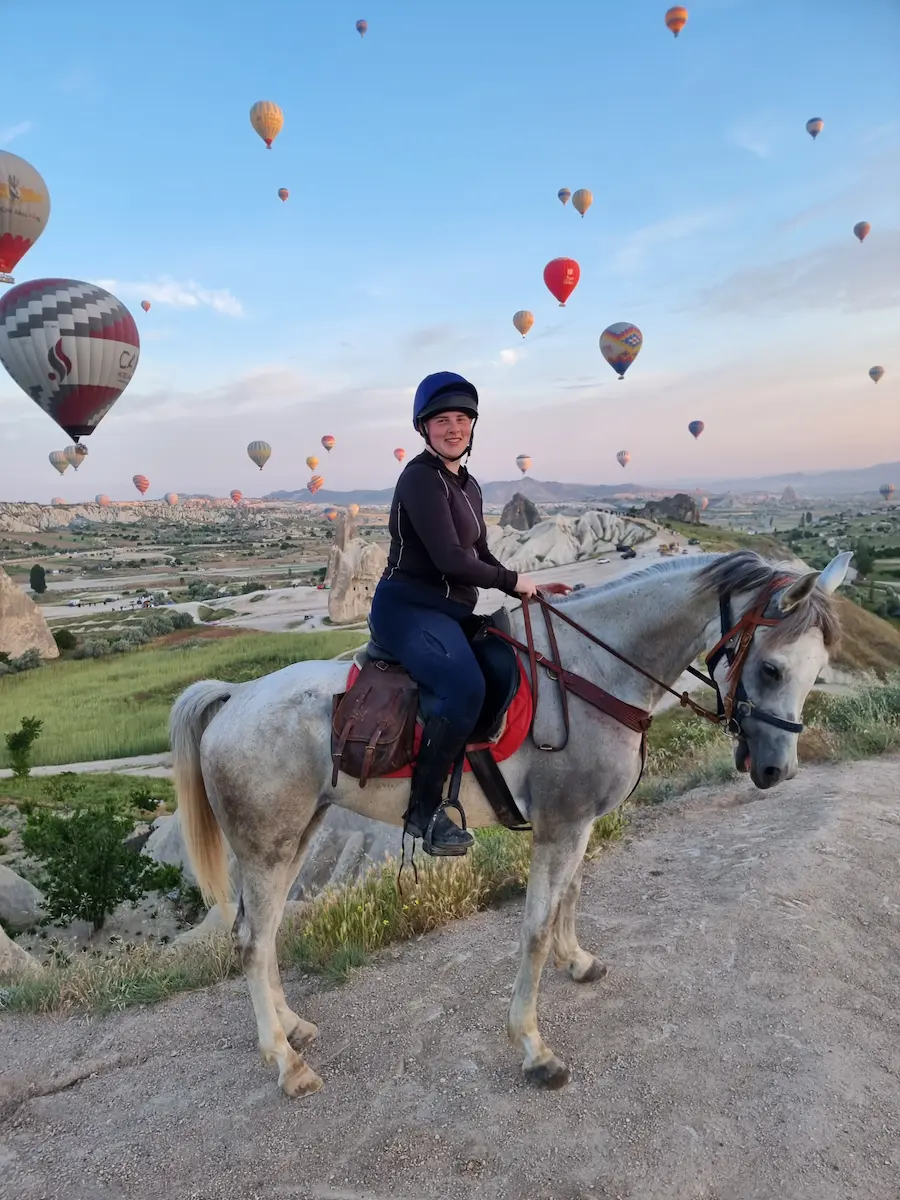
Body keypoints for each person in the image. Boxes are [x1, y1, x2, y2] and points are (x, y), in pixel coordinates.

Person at [369, 371, 537, 856]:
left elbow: (480, 552)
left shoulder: (468, 485)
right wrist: (510, 582)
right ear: (424, 429)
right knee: (464, 685)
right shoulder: (421, 478)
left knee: (511, 657)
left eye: (462, 419)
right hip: (407, 608)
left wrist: (526, 586)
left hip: (448, 610)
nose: (454, 428)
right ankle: (423, 812)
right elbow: (451, 559)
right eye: (442, 420)